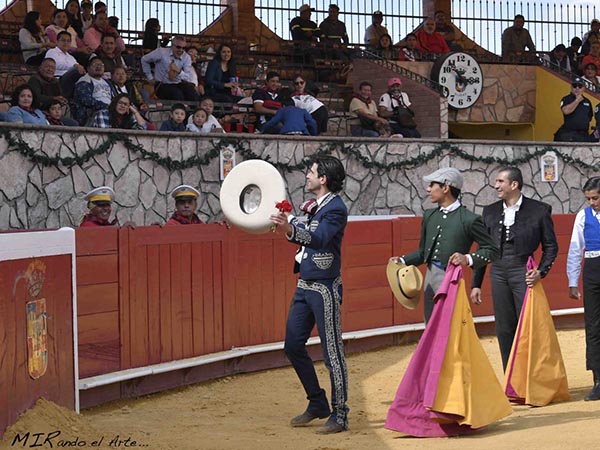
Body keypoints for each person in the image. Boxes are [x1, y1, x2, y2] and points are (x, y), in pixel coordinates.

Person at [269, 155, 349, 434]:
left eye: (311, 172)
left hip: (325, 286)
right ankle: (318, 402)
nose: (307, 175)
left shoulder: (335, 208)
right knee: (292, 346)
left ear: (323, 178)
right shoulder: (318, 207)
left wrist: (289, 227)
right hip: (306, 283)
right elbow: (309, 233)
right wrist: (289, 224)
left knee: (332, 352)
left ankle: (340, 414)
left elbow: (318, 239)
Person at [471, 167, 558, 370]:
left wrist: (541, 271)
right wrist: (476, 283)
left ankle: (532, 377)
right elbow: (484, 248)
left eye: (500, 181)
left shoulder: (539, 210)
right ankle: (510, 377)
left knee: (528, 325)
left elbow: (551, 247)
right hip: (498, 271)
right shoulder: (490, 211)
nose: (496, 185)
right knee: (504, 327)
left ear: (514, 184)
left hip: (523, 271)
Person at [389, 167, 499, 322]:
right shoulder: (430, 216)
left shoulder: (469, 219)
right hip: (429, 277)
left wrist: (467, 258)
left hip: (451, 278)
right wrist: (402, 261)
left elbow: (493, 250)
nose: (428, 189)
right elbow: (423, 252)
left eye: (432, 185)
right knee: (430, 324)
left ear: (445, 187)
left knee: (450, 325)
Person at [567, 176, 600, 400]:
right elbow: (575, 249)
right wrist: (572, 280)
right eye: (588, 198)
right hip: (593, 269)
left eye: (595, 198)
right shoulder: (582, 216)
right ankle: (598, 380)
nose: (592, 202)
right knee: (594, 325)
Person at [141, 36, 199, 101]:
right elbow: (144, 59)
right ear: (172, 46)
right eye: (178, 47)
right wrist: (150, 77)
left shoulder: (186, 57)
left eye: (183, 48)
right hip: (162, 84)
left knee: (192, 93)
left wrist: (178, 71)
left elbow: (188, 78)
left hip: (178, 83)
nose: (181, 50)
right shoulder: (161, 52)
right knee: (177, 94)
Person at [71, 56, 113, 125]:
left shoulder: (108, 82)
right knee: (103, 113)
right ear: (88, 68)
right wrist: (106, 106)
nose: (99, 67)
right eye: (95, 65)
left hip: (111, 110)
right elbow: (86, 101)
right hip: (93, 113)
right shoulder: (83, 82)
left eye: (101, 65)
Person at [46, 30, 86, 98]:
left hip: (71, 80)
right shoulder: (52, 52)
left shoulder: (70, 57)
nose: (66, 43)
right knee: (76, 71)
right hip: (58, 80)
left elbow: (79, 68)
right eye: (63, 40)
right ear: (57, 41)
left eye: (68, 41)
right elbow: (55, 64)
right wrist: (75, 66)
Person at [554, 77, 594, 142]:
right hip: (569, 133)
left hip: (583, 135)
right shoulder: (566, 99)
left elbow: (589, 117)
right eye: (575, 86)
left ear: (583, 88)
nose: (577, 88)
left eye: (580, 86)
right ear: (571, 87)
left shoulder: (587, 101)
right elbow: (566, 111)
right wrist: (577, 100)